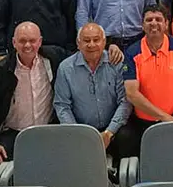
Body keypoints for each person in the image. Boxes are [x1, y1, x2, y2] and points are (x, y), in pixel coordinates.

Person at [0, 22, 66, 169]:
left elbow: (83, 55)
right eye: (22, 41)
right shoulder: (1, 70)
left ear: (40, 41)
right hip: (14, 134)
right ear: (14, 43)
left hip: (49, 132)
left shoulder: (54, 59)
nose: (27, 46)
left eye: (32, 41)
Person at [120, 5, 173, 151]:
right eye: (149, 20)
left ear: (166, 24)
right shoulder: (132, 53)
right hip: (144, 123)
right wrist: (165, 118)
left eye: (158, 19)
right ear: (142, 25)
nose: (153, 23)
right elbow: (132, 94)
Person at [54, 23, 136, 164]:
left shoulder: (116, 62)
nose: (91, 45)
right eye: (86, 40)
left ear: (104, 42)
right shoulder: (65, 68)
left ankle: (123, 179)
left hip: (113, 129)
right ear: (78, 43)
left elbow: (125, 101)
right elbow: (62, 106)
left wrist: (109, 132)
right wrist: (77, 133)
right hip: (81, 128)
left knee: (127, 136)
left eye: (96, 40)